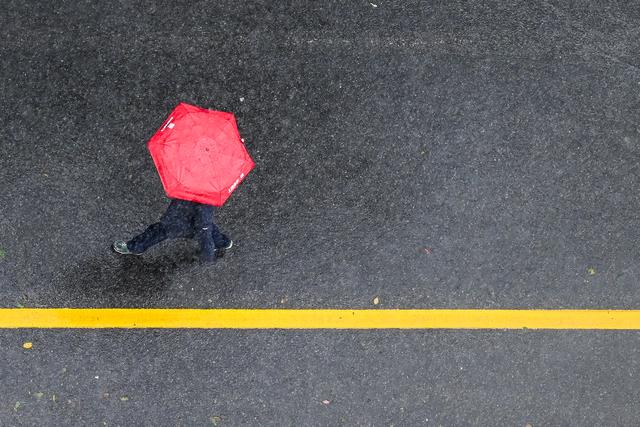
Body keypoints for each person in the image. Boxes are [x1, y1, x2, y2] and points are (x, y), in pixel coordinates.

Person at [112, 199, 233, 262]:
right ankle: (222, 242)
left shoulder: (202, 204)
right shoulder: (205, 190)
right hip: (186, 216)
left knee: (156, 231)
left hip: (181, 222)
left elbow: (204, 229)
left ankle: (135, 247)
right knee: (209, 229)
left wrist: (207, 257)